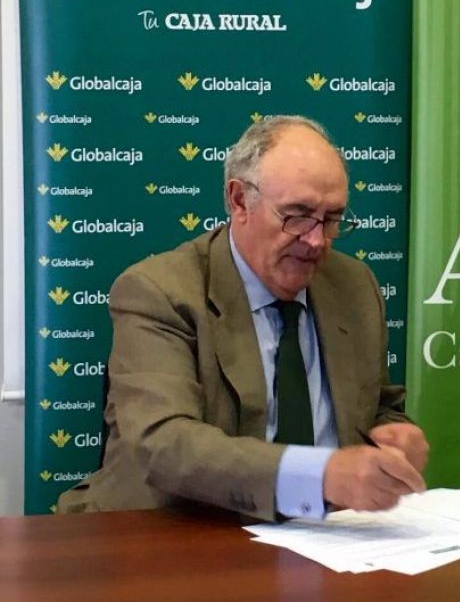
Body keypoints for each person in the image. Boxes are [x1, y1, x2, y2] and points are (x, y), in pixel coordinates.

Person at [59, 116, 428, 520]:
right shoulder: (160, 291)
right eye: (297, 215)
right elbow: (164, 443)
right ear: (239, 202)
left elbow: (377, 406)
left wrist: (395, 438)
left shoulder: (354, 286)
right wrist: (317, 476)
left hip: (324, 535)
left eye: (332, 218)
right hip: (173, 530)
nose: (316, 239)